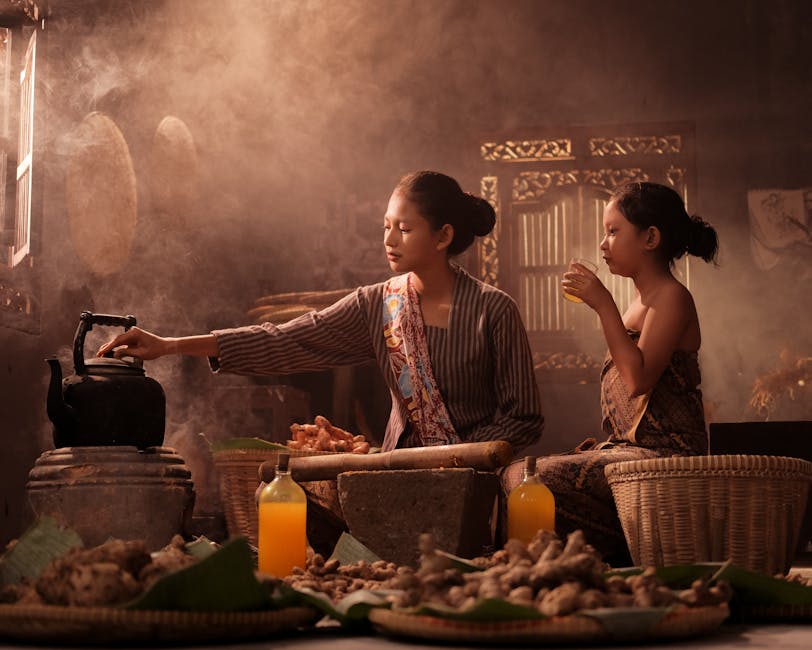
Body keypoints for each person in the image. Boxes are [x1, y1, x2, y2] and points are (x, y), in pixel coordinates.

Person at [97, 170, 544, 455]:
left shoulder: (494, 310)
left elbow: (523, 418)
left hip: (481, 478)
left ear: (443, 236)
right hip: (400, 475)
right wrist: (169, 345)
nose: (389, 240)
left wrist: (462, 457)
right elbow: (286, 339)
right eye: (386, 226)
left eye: (405, 229)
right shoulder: (378, 305)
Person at [502, 181, 719, 564]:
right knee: (519, 474)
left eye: (614, 231)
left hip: (667, 455)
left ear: (650, 238)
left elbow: (638, 380)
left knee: (537, 479)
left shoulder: (672, 296)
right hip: (628, 452)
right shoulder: (638, 302)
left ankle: (620, 552)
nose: (603, 244)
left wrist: (603, 304)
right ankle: (605, 552)